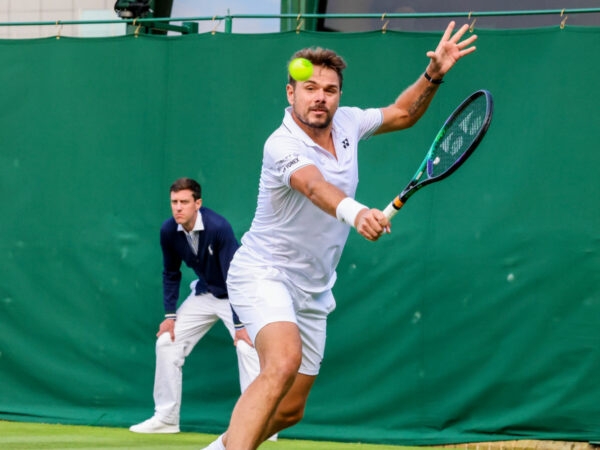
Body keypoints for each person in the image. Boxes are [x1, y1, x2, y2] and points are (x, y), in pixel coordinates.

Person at [203, 21, 477, 450]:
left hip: (314, 289)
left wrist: (434, 74)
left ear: (339, 96)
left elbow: (403, 113)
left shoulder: (348, 123)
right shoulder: (281, 144)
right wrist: (356, 212)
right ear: (290, 93)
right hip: (264, 272)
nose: (320, 97)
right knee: (282, 361)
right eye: (309, 88)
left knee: (290, 410)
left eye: (329, 90)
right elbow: (313, 186)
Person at [129, 177, 266, 435]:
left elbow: (233, 276)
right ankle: (166, 418)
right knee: (166, 342)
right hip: (205, 294)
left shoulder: (218, 227)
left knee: (247, 347)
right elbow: (171, 273)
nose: (178, 208)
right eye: (174, 202)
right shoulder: (169, 231)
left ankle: (258, 426)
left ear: (198, 203)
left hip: (237, 293)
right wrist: (170, 316)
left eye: (184, 202)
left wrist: (240, 324)